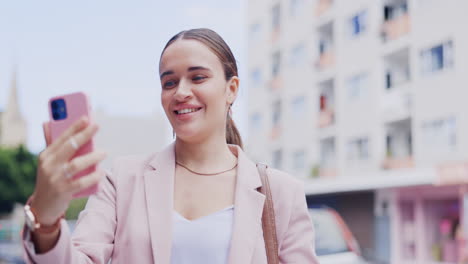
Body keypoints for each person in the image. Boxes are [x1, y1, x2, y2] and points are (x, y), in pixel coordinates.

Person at [22, 28, 318, 263]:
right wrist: (46, 222)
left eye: (198, 77)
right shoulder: (123, 180)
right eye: (169, 82)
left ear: (231, 89)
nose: (181, 92)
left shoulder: (281, 193)